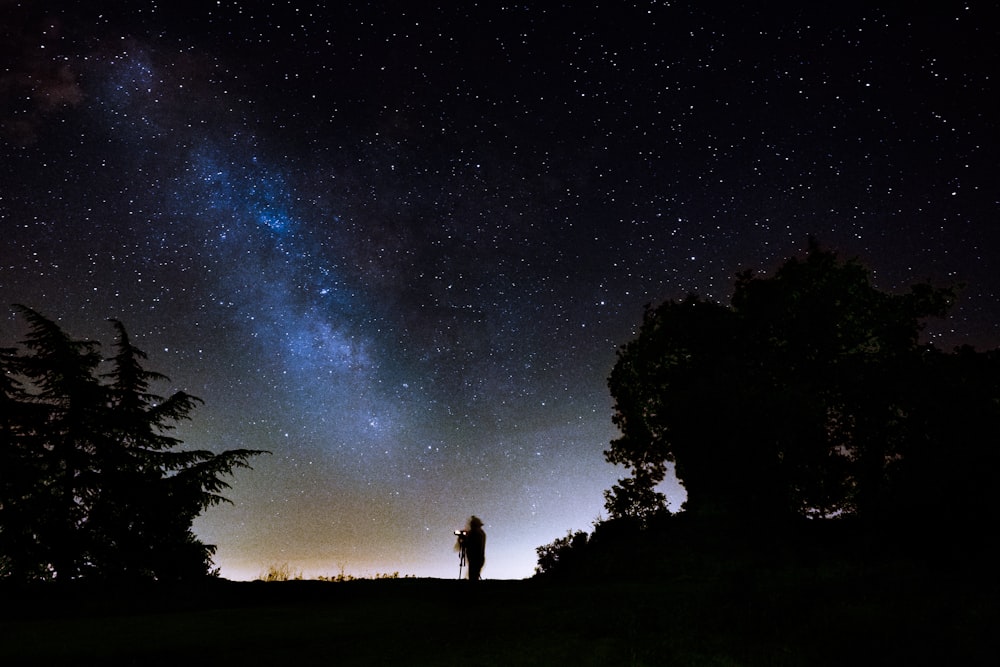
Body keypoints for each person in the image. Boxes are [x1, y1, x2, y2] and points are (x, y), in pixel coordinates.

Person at [464, 515, 486, 581]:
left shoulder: (477, 534)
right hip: (476, 558)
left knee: (473, 576)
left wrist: (466, 538)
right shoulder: (480, 533)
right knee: (473, 576)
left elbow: (471, 544)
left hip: (476, 558)